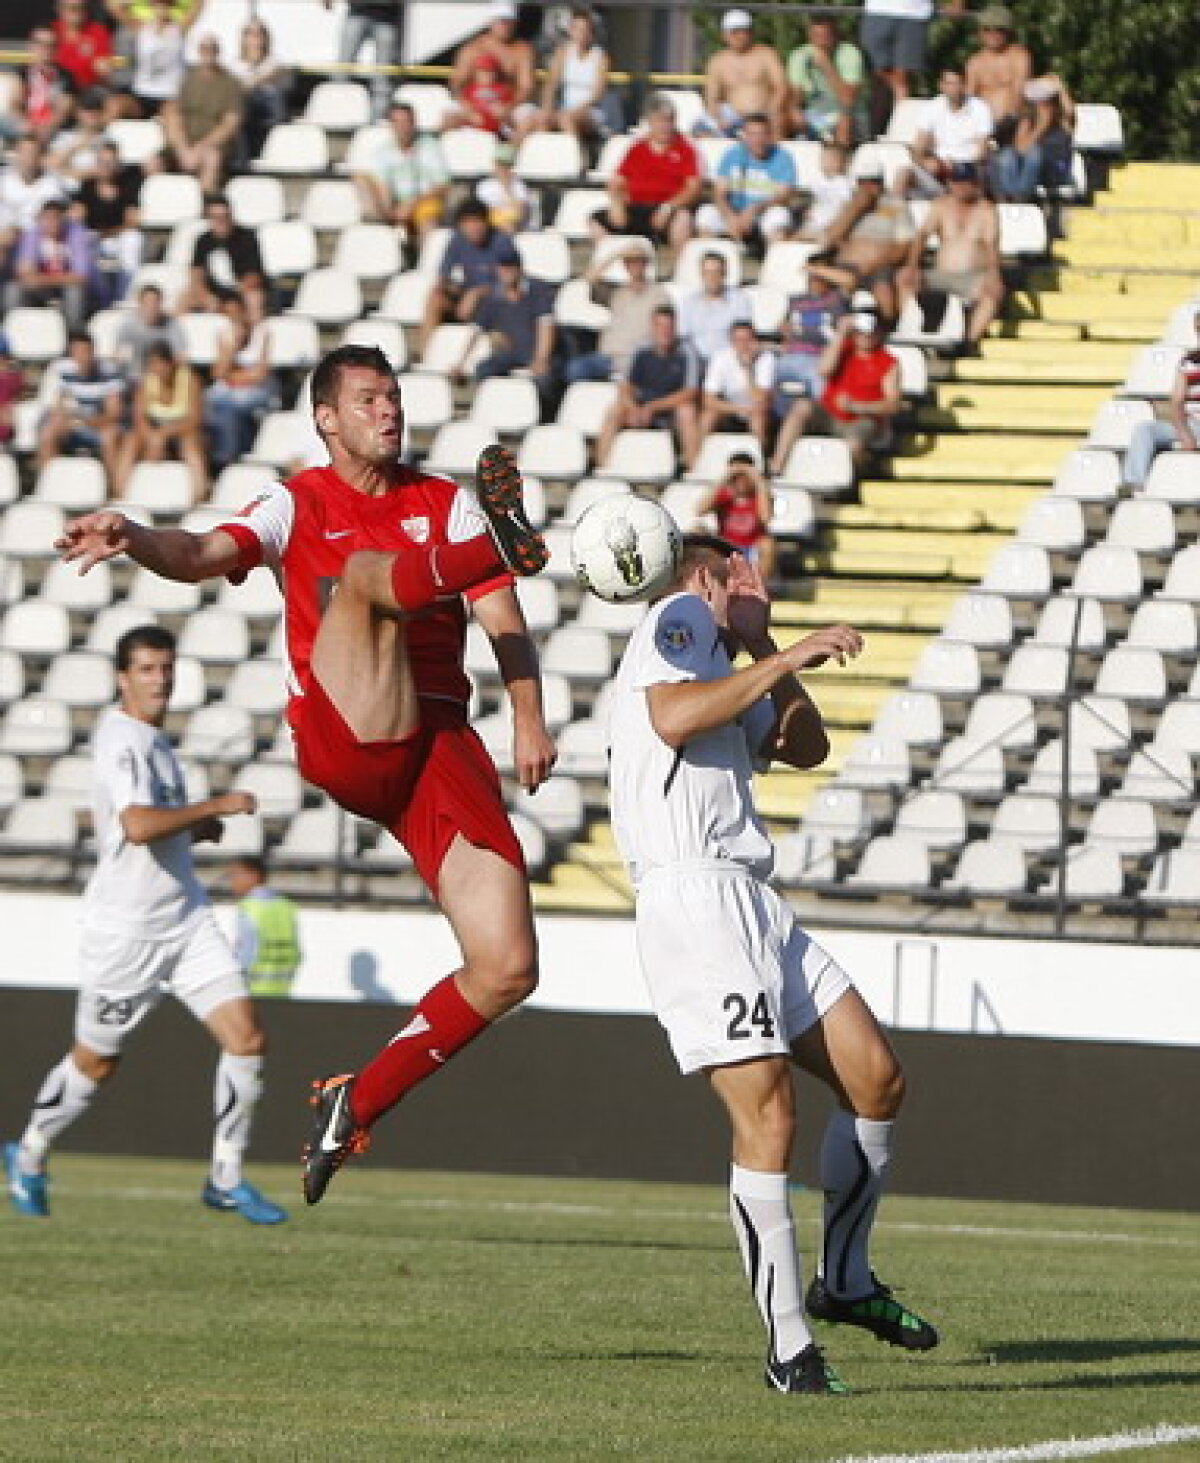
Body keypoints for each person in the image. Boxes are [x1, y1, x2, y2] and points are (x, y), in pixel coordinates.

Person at [54, 346, 555, 1207]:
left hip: (435, 742)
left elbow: (503, 618)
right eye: (369, 400)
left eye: (395, 397)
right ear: (326, 417)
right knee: (360, 581)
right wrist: (133, 536)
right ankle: (488, 552)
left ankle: (353, 1103)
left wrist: (527, 715)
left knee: (508, 965)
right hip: (345, 726)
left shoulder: (445, 499)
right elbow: (206, 549)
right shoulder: (297, 501)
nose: (389, 413)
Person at [607, 535, 938, 1393]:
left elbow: (805, 746)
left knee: (876, 1078)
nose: (756, 581)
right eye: (741, 571)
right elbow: (672, 716)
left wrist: (762, 645)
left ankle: (847, 1283)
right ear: (708, 577)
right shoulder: (675, 619)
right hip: (694, 900)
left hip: (753, 899)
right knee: (769, 1117)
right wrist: (785, 645)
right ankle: (789, 1346)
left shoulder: (725, 656)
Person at [3, 624, 287, 1226]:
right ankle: (29, 1153)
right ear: (122, 677)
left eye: (166, 668)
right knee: (96, 1061)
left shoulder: (157, 742)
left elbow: (150, 824)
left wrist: (195, 826)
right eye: (148, 670)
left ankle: (226, 1177)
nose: (160, 680)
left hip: (183, 919)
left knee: (248, 1039)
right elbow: (134, 824)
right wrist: (212, 807)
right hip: (126, 932)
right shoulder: (122, 738)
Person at [770, 308, 901, 476]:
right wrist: (840, 333)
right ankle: (777, 464)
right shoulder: (842, 349)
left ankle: (854, 476)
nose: (865, 336)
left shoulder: (888, 362)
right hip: (830, 412)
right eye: (861, 332)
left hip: (861, 419)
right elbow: (823, 370)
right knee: (801, 406)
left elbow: (892, 404)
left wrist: (857, 407)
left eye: (870, 332)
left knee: (853, 445)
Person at [898, 160, 1004, 350]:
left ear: (975, 184)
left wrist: (994, 273)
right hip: (941, 275)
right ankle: (913, 333)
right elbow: (922, 236)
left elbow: (991, 244)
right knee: (905, 279)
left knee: (994, 292)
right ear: (950, 184)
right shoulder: (940, 206)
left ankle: (968, 341)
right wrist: (912, 265)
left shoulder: (986, 209)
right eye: (956, 182)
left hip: (972, 278)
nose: (961, 187)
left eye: (966, 182)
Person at [804, 156, 915, 320]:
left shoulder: (895, 206)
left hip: (879, 266)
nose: (867, 187)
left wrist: (874, 264)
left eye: (873, 182)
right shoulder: (849, 205)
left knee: (883, 290)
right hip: (845, 265)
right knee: (818, 281)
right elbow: (831, 237)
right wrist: (854, 210)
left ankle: (886, 327)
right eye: (862, 182)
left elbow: (904, 246)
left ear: (881, 182)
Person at [595, 302, 701, 468]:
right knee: (614, 410)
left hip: (670, 409)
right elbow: (626, 386)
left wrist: (652, 407)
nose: (665, 331)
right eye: (660, 326)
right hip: (641, 407)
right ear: (652, 326)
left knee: (687, 411)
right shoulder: (640, 350)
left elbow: (690, 392)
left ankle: (693, 468)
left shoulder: (687, 352)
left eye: (669, 326)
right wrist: (634, 408)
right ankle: (601, 467)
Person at [593, 94, 701, 251]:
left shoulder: (685, 149)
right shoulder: (636, 149)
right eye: (660, 121)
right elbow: (616, 182)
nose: (664, 126)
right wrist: (617, 202)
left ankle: (680, 270)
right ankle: (612, 266)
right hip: (636, 207)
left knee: (683, 220)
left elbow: (693, 188)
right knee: (596, 221)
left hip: (668, 208)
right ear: (650, 123)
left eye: (668, 120)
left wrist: (668, 207)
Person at [563, 237, 671, 385]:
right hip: (607, 357)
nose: (634, 265)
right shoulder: (617, 292)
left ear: (646, 264)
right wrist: (617, 255)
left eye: (639, 261)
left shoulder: (659, 294)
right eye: (630, 261)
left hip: (637, 357)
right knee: (575, 369)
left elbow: (663, 328)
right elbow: (589, 279)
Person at [419, 197, 521, 352]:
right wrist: (443, 287)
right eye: (468, 223)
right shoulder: (457, 240)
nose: (474, 228)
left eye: (477, 222)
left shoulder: (502, 243)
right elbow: (443, 274)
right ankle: (425, 353)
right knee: (435, 298)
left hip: (496, 299)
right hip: (467, 295)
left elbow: (512, 281)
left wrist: (477, 293)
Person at [468, 251, 560, 411]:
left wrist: (541, 358)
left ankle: (545, 416)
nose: (506, 272)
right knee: (484, 369)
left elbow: (546, 324)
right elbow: (478, 329)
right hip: (511, 353)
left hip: (534, 351)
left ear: (519, 269)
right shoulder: (494, 296)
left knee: (544, 378)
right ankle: (492, 410)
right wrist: (461, 362)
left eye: (510, 268)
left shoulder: (537, 291)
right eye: (502, 268)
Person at [695, 112, 797, 255]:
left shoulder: (782, 157)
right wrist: (730, 216)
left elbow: (783, 196)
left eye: (762, 134)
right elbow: (718, 193)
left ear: (770, 136)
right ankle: (710, 265)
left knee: (779, 215)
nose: (757, 140)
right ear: (744, 135)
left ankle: (776, 265)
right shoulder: (732, 154)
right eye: (752, 134)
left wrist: (755, 210)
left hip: (764, 212)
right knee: (706, 214)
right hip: (733, 211)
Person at [120, 340, 208, 502]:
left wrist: (163, 435)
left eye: (162, 364)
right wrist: (153, 439)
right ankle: (122, 495)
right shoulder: (145, 383)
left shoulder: (190, 380)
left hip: (182, 431)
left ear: (171, 363)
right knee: (130, 441)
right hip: (154, 432)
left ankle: (199, 496)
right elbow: (139, 419)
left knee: (191, 445)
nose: (159, 369)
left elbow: (195, 419)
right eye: (154, 365)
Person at [37, 328, 126, 484]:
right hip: (72, 424)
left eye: (86, 351)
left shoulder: (109, 371)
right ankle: (51, 485)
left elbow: (114, 412)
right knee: (48, 434)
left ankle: (114, 488)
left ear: (93, 351)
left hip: (98, 426)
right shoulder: (60, 369)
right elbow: (58, 406)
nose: (82, 357)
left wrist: (87, 422)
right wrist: (66, 421)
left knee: (110, 436)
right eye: (77, 352)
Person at [860, 0, 964, 132]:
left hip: (913, 13)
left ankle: (900, 130)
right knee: (879, 72)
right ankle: (883, 128)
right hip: (876, 10)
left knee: (903, 78)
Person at [515, 6, 611, 145]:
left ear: (591, 33)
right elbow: (551, 83)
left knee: (566, 119)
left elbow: (598, 94)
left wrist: (575, 111)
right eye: (577, 29)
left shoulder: (601, 57)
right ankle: (512, 158)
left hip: (591, 110)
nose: (581, 34)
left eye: (585, 30)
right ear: (571, 31)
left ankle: (577, 160)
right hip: (565, 108)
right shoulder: (563, 52)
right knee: (534, 121)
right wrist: (546, 108)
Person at [204, 292, 277, 472]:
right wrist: (232, 346)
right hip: (229, 390)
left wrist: (232, 376)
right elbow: (218, 372)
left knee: (227, 405)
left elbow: (260, 374)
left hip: (258, 390)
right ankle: (226, 453)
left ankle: (224, 459)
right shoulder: (225, 334)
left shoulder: (264, 333)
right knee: (207, 404)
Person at [353, 100, 449, 237]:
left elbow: (442, 185)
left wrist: (411, 205)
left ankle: (426, 256)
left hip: (423, 202)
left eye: (406, 122)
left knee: (428, 217)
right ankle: (380, 227)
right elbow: (382, 186)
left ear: (414, 123)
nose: (402, 127)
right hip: (394, 205)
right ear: (391, 125)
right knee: (360, 178)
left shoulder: (430, 147)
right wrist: (391, 210)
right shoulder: (383, 152)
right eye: (397, 122)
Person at [1124, 316, 1200, 489]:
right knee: (1144, 430)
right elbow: (1177, 401)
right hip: (1193, 424)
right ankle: (1134, 484)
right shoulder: (1189, 362)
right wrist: (1184, 433)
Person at [161, 34, 243, 194]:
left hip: (212, 145)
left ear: (218, 52)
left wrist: (199, 148)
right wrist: (182, 148)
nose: (208, 52)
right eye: (204, 49)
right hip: (184, 143)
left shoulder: (231, 83)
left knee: (211, 159)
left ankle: (204, 206)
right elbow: (173, 114)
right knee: (152, 162)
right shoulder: (187, 79)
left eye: (212, 49)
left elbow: (230, 124)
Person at [443, 0, 536, 138]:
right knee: (448, 119)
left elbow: (526, 87)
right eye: (500, 20)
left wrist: (508, 107)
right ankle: (440, 157)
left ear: (515, 22)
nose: (505, 25)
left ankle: (507, 155)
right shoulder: (473, 48)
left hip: (509, 103)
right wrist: (469, 108)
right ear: (491, 21)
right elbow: (456, 83)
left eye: (508, 21)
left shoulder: (522, 50)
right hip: (474, 101)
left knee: (529, 120)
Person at [8, 197, 98, 330]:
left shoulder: (78, 234)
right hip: (44, 290)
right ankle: (13, 333)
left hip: (80, 293)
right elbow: (24, 273)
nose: (51, 223)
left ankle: (73, 334)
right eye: (47, 218)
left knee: (74, 292)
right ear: (39, 219)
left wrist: (41, 279)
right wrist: (42, 279)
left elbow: (81, 277)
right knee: (13, 290)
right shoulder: (32, 235)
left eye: (56, 218)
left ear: (64, 219)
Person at [697, 9, 789, 140]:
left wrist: (772, 110)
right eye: (734, 32)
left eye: (743, 31)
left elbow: (782, 86)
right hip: (731, 118)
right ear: (725, 35)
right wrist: (718, 119)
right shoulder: (717, 61)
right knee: (700, 130)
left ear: (750, 33)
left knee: (779, 119)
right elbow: (711, 98)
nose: (739, 36)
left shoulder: (766, 54)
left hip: (763, 115)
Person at [74, 138, 143, 306]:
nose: (106, 166)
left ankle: (123, 296)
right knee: (83, 242)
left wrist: (108, 233)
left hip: (117, 236)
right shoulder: (87, 186)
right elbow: (77, 217)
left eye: (111, 162)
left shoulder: (128, 185)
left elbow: (132, 220)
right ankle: (98, 297)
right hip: (93, 236)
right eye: (102, 162)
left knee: (134, 239)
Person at [906, 68, 993, 198]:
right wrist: (925, 161)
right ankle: (889, 216)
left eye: (958, 83)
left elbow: (982, 151)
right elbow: (918, 146)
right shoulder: (931, 108)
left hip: (968, 169)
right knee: (903, 175)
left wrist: (959, 166)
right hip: (938, 167)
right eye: (949, 83)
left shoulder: (980, 108)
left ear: (965, 85)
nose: (954, 88)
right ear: (941, 85)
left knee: (970, 175)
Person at [697, 319, 775, 463]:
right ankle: (699, 463)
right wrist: (739, 409)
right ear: (731, 342)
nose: (743, 345)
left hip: (757, 411)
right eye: (739, 340)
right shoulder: (721, 358)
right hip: (732, 409)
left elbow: (760, 399)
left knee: (758, 417)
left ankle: (761, 464)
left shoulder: (766, 359)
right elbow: (708, 399)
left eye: (747, 340)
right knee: (708, 417)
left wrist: (748, 369)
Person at [786, 14, 868, 147]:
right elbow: (795, 94)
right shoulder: (799, 55)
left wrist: (827, 66)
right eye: (816, 36)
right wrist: (795, 108)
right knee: (782, 116)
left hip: (848, 114)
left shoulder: (850, 54)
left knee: (845, 119)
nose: (821, 41)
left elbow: (847, 101)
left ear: (835, 35)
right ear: (809, 35)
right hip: (816, 114)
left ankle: (839, 163)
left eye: (826, 36)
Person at [179, 193, 266, 317]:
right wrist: (206, 296)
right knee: (184, 299)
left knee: (251, 300)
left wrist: (231, 295)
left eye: (224, 216)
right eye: (215, 217)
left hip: (237, 291)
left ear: (231, 216)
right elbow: (196, 274)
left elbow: (253, 276)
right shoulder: (203, 241)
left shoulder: (247, 238)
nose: (221, 221)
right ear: (209, 219)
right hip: (211, 292)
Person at [694, 453, 776, 581]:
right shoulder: (723, 496)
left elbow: (766, 519)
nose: (740, 481)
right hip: (724, 547)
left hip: (751, 548)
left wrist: (758, 480)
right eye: (736, 477)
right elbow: (699, 511)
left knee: (767, 544)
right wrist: (724, 478)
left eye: (744, 477)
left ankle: (759, 587)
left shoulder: (760, 497)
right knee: (697, 530)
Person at [993, 76, 1075, 203]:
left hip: (1055, 168)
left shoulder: (1063, 122)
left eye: (1047, 101)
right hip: (1029, 171)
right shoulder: (1028, 119)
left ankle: (1021, 200)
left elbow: (1070, 112)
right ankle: (1009, 199)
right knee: (1007, 155)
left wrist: (1060, 87)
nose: (1043, 106)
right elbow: (1020, 148)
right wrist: (1040, 127)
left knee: (1034, 154)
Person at [229, 856, 301, 999]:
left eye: (236, 875)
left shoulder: (249, 908)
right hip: (283, 991)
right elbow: (296, 951)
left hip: (253, 993)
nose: (232, 882)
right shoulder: (286, 906)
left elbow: (245, 955)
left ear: (253, 875)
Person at [321, 0, 403, 122]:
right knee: (342, 72)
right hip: (357, 12)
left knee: (383, 78)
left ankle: (377, 120)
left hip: (386, 16)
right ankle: (337, 113)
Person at [964, 4, 1031, 138]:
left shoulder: (1019, 56)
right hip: (984, 130)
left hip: (1015, 127)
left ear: (1008, 32)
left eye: (999, 30)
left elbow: (1020, 91)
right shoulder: (974, 63)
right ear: (980, 33)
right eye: (987, 29)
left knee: (1028, 156)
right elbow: (969, 99)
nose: (993, 34)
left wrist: (1010, 119)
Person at [229, 18, 290, 164]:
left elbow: (278, 76)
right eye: (251, 34)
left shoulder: (275, 63)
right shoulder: (234, 65)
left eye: (259, 33)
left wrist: (252, 83)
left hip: (268, 114)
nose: (255, 38)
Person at [676, 250, 751, 365]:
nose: (712, 277)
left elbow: (743, 335)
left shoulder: (739, 299)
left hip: (728, 361)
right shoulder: (689, 302)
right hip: (696, 361)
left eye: (717, 272)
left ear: (724, 274)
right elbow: (682, 336)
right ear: (701, 274)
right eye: (707, 273)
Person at [115, 281, 185, 373]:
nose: (152, 307)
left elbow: (180, 356)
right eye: (148, 302)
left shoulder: (172, 324)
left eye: (156, 302)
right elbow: (121, 358)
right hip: (134, 379)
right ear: (139, 303)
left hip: (164, 378)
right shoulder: (128, 326)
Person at [50, 0, 115, 95]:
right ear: (59, 9)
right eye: (71, 8)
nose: (77, 12)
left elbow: (104, 68)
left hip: (88, 90)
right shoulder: (52, 31)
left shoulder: (98, 32)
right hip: (56, 88)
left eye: (82, 7)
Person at [475, 140, 535, 233]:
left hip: (514, 225)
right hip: (492, 223)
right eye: (500, 164)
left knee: (509, 225)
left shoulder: (518, 185)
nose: (503, 169)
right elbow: (482, 212)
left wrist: (507, 187)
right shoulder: (484, 186)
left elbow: (521, 212)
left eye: (507, 165)